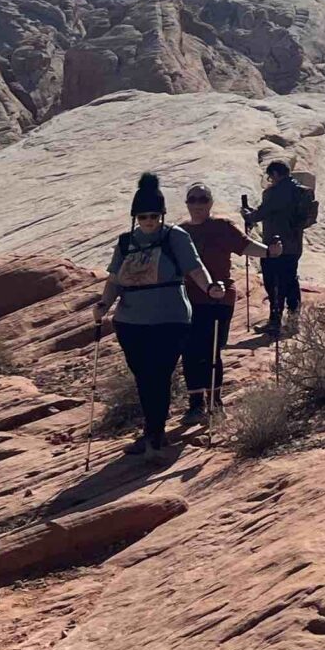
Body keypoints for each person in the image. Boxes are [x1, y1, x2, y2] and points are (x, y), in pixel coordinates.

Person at [93, 173, 218, 460]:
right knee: (143, 377)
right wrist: (103, 304)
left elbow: (194, 268)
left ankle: (154, 435)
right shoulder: (126, 242)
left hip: (169, 319)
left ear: (161, 214)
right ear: (135, 217)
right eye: (143, 216)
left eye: (153, 215)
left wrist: (209, 287)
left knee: (158, 375)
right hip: (130, 322)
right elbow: (114, 280)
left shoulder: (175, 236)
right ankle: (152, 431)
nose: (148, 221)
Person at [177, 182, 258, 422]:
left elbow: (246, 246)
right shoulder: (180, 232)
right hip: (188, 299)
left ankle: (215, 404)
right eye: (193, 199)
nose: (198, 204)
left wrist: (273, 252)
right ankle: (195, 405)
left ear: (210, 203)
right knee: (189, 350)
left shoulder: (222, 227)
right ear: (187, 203)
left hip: (219, 298)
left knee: (211, 350)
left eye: (203, 199)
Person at [245, 157, 317, 338]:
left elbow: (261, 213)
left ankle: (274, 322)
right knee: (291, 280)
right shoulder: (301, 191)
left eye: (271, 177)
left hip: (275, 245)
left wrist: (248, 215)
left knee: (274, 283)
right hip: (294, 245)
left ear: (276, 174)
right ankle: (293, 321)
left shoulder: (275, 192)